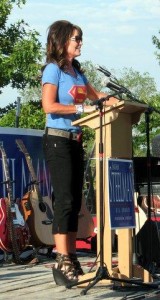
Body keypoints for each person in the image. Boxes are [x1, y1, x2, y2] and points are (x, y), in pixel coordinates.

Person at [41, 20, 119, 287]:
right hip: (57, 141)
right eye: (76, 38)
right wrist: (81, 110)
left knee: (75, 203)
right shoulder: (53, 70)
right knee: (63, 201)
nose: (80, 43)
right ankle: (61, 257)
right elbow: (48, 106)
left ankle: (72, 256)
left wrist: (121, 103)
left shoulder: (77, 73)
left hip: (75, 142)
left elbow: (97, 97)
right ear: (62, 40)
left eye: (81, 38)